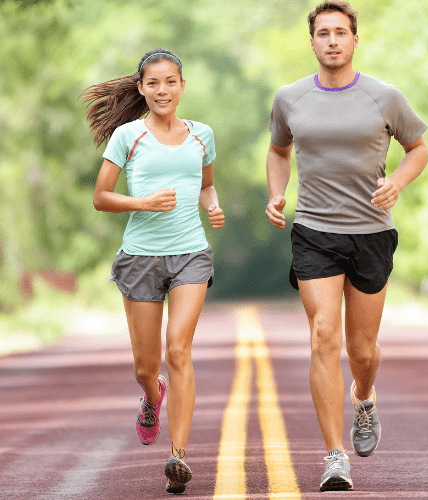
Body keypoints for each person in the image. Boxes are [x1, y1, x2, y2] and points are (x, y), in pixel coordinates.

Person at [265, 1, 428, 491]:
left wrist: (397, 181)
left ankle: (364, 396)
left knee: (362, 349)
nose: (332, 40)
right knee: (323, 335)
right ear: (311, 41)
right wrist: (277, 192)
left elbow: (417, 148)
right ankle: (335, 454)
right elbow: (278, 149)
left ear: (356, 40)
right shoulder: (290, 99)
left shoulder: (384, 96)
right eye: (323, 33)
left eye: (341, 32)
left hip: (372, 232)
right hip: (315, 231)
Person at [82, 48, 225, 495]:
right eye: (154, 83)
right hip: (140, 256)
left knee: (178, 349)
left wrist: (214, 206)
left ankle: (178, 456)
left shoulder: (202, 135)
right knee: (147, 366)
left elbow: (205, 185)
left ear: (182, 86)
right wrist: (142, 202)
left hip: (190, 255)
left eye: (171, 82)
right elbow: (101, 197)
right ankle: (150, 396)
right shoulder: (127, 136)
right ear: (142, 88)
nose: (163, 90)